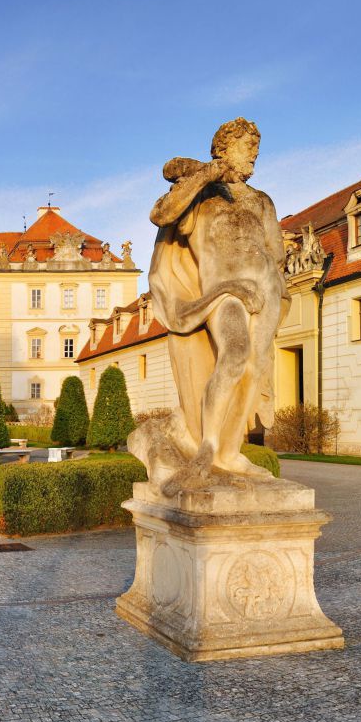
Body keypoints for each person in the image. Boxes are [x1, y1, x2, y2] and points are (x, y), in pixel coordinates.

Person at [147, 118, 287, 488]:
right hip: (224, 291)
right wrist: (206, 175)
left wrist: (271, 280)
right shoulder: (201, 195)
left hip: (266, 288)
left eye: (256, 147)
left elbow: (276, 252)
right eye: (246, 145)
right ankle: (206, 446)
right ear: (223, 150)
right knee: (235, 354)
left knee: (255, 369)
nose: (254, 152)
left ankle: (229, 452)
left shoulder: (261, 200)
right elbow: (162, 213)